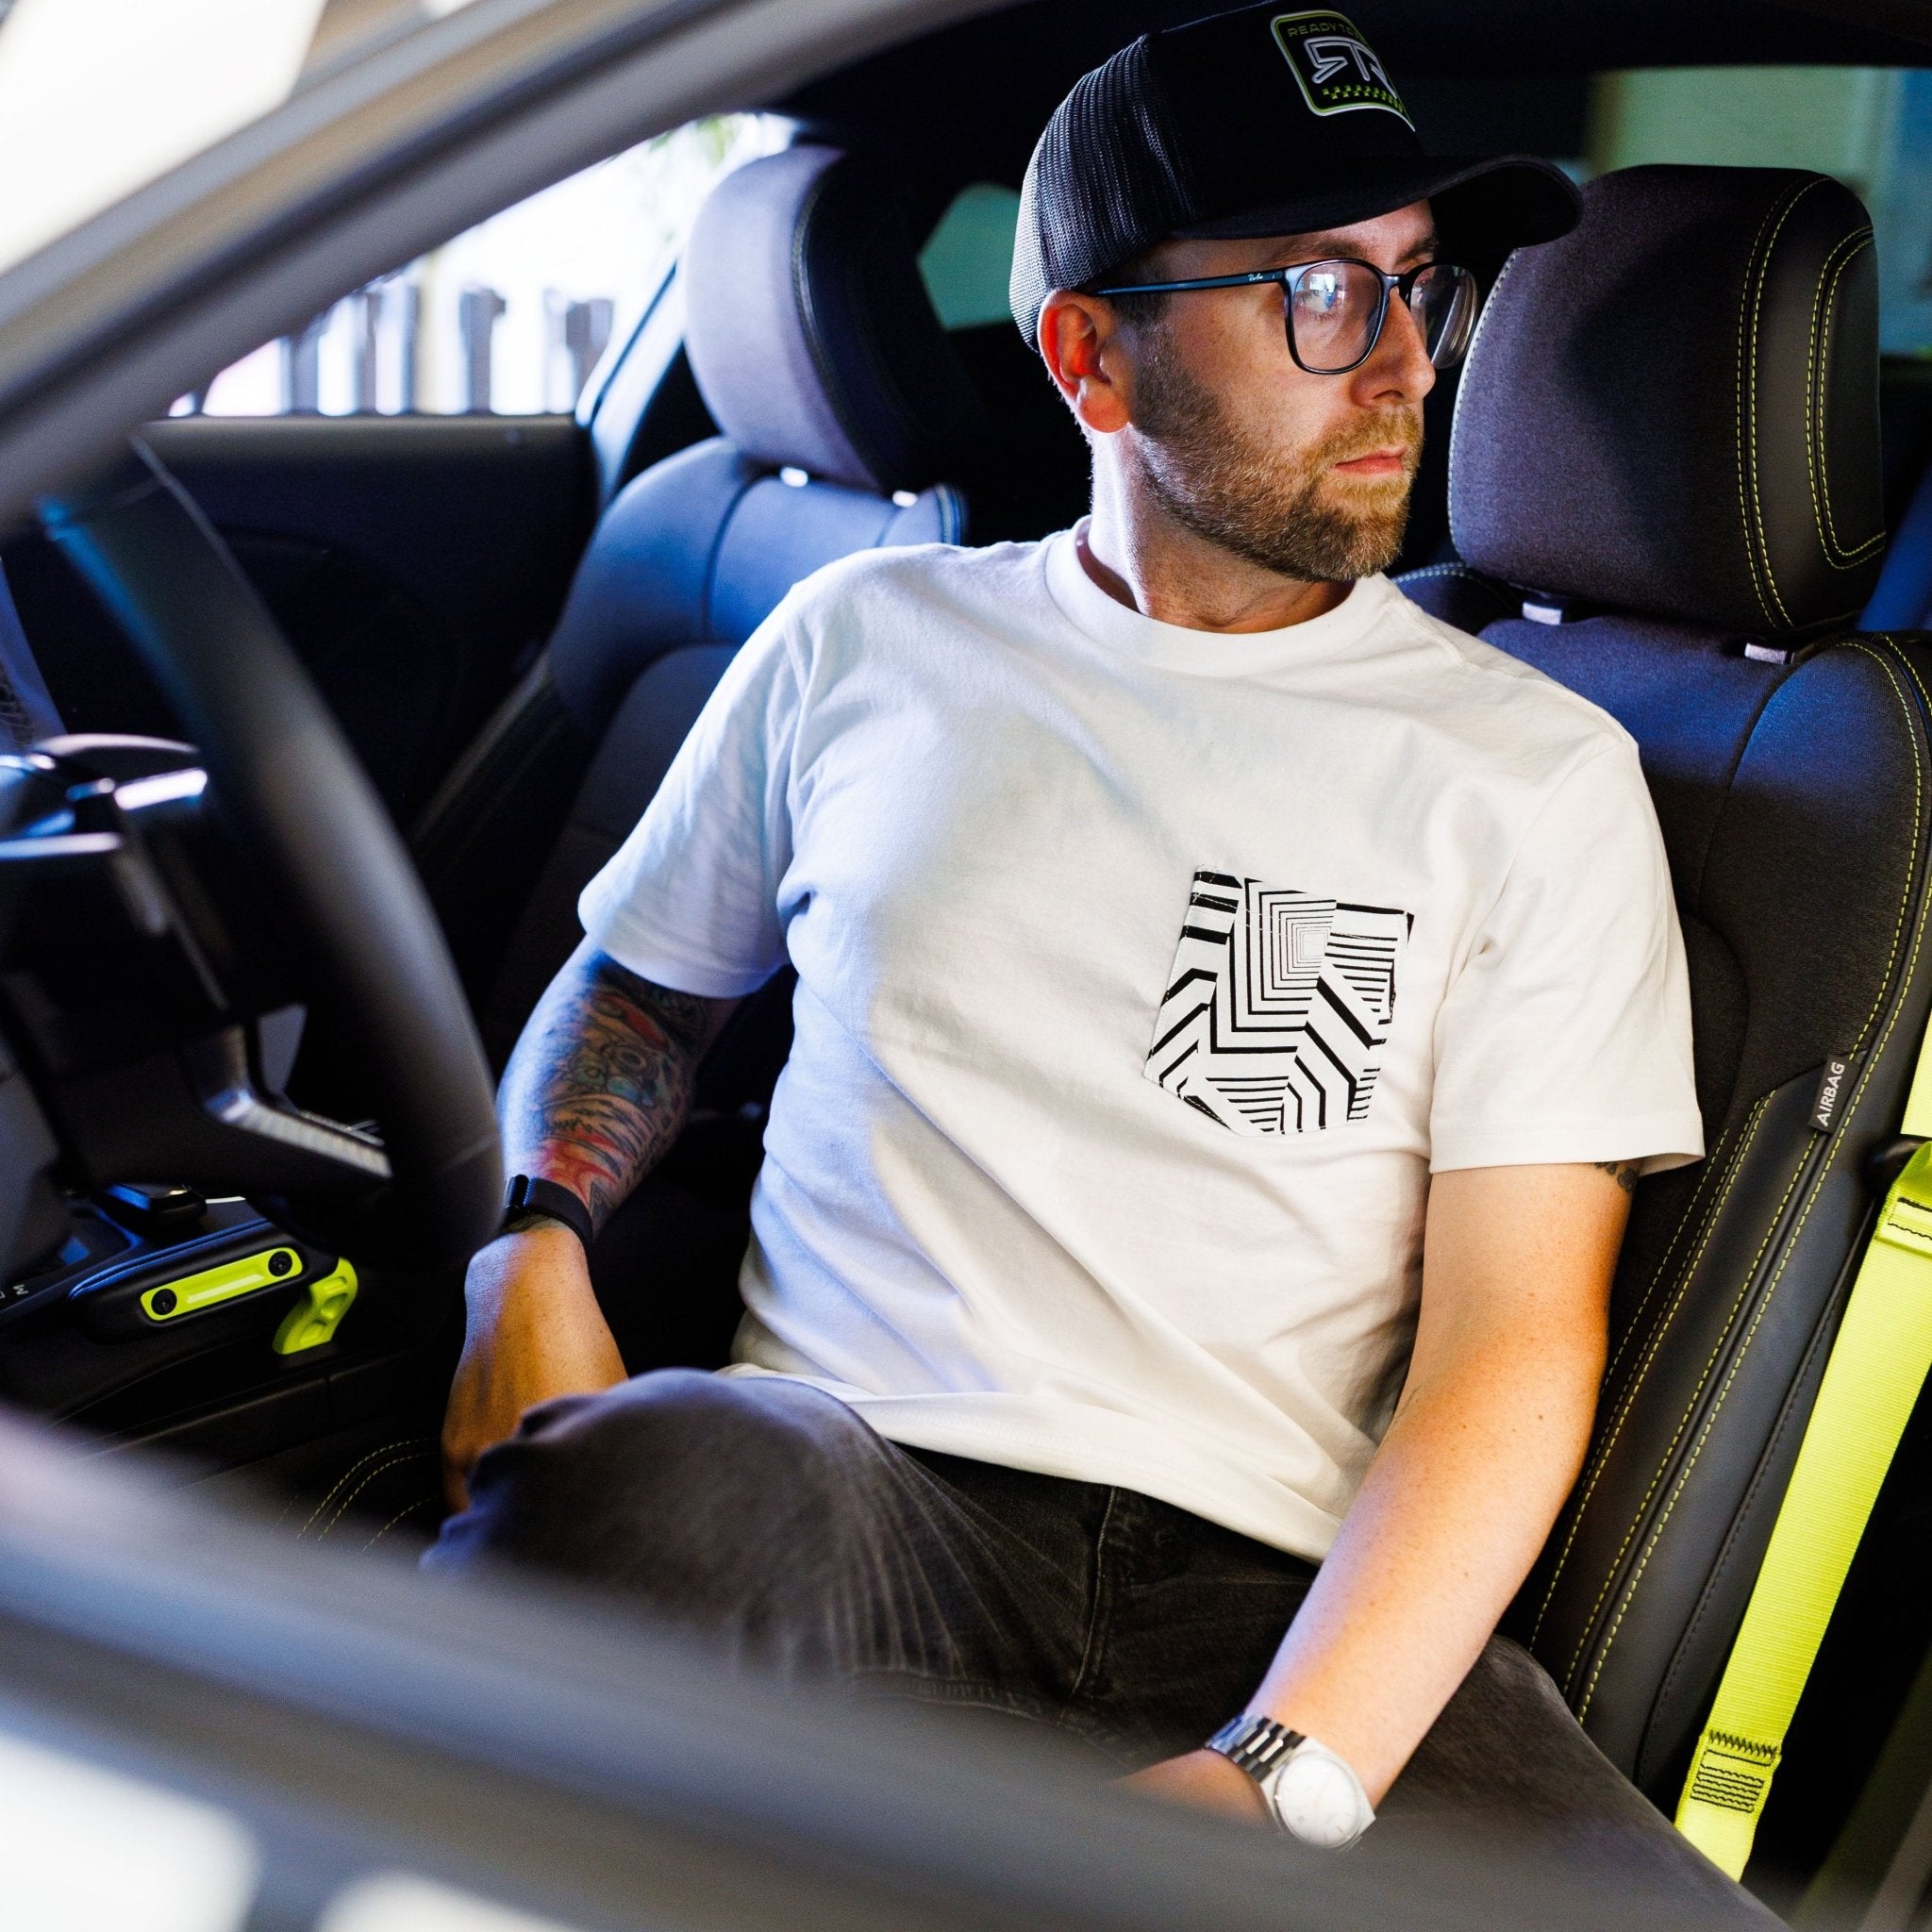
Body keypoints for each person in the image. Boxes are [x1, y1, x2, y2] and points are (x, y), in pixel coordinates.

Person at [428, 6, 1763, 1915]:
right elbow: (641, 989)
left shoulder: (1531, 774)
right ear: (1088, 355)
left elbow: (1508, 1340)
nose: (1399, 365)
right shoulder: (859, 640)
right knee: (646, 1472)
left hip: (1266, 1598)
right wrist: (530, 1242)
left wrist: (1279, 1774)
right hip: (834, 1489)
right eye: (1315, 290)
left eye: (1416, 288)